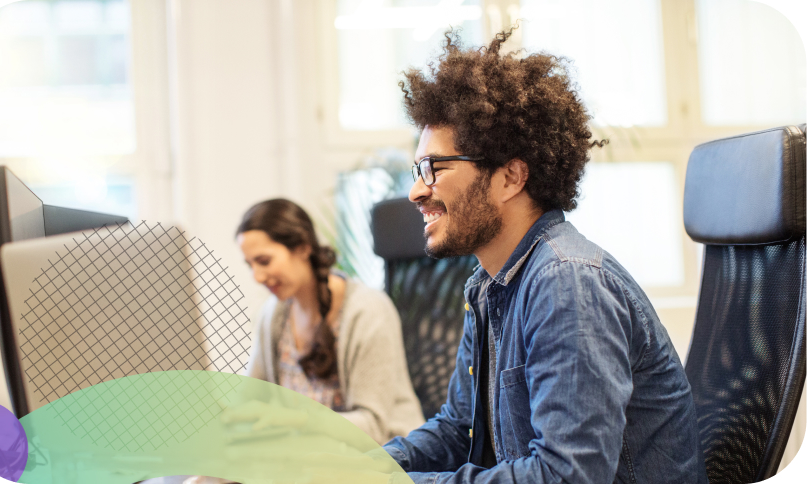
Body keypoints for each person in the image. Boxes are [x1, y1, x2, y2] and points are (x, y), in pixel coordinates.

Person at [380, 29, 708, 484]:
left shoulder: (567, 283)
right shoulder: (488, 285)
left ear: (511, 177)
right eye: (418, 170)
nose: (417, 190)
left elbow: (566, 475)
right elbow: (460, 430)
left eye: (434, 168)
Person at [236, 198, 424, 445]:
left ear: (303, 248)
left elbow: (373, 428)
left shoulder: (368, 311)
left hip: (383, 458)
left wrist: (294, 420)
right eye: (250, 265)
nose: (257, 276)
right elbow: (252, 400)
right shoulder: (274, 313)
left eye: (264, 261)